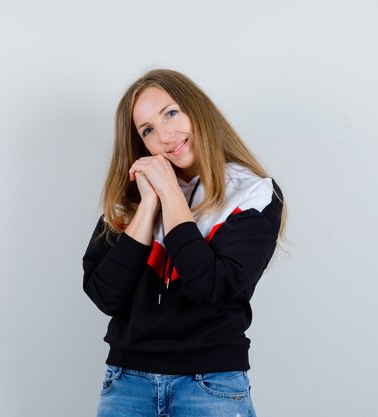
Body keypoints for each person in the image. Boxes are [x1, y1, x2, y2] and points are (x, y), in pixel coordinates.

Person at [82, 69, 287, 417]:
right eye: (148, 130)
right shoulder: (129, 201)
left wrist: (171, 195)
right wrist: (148, 204)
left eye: (171, 113)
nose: (164, 135)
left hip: (210, 385)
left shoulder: (252, 193)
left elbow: (211, 287)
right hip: (126, 383)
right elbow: (105, 295)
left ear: (196, 110)